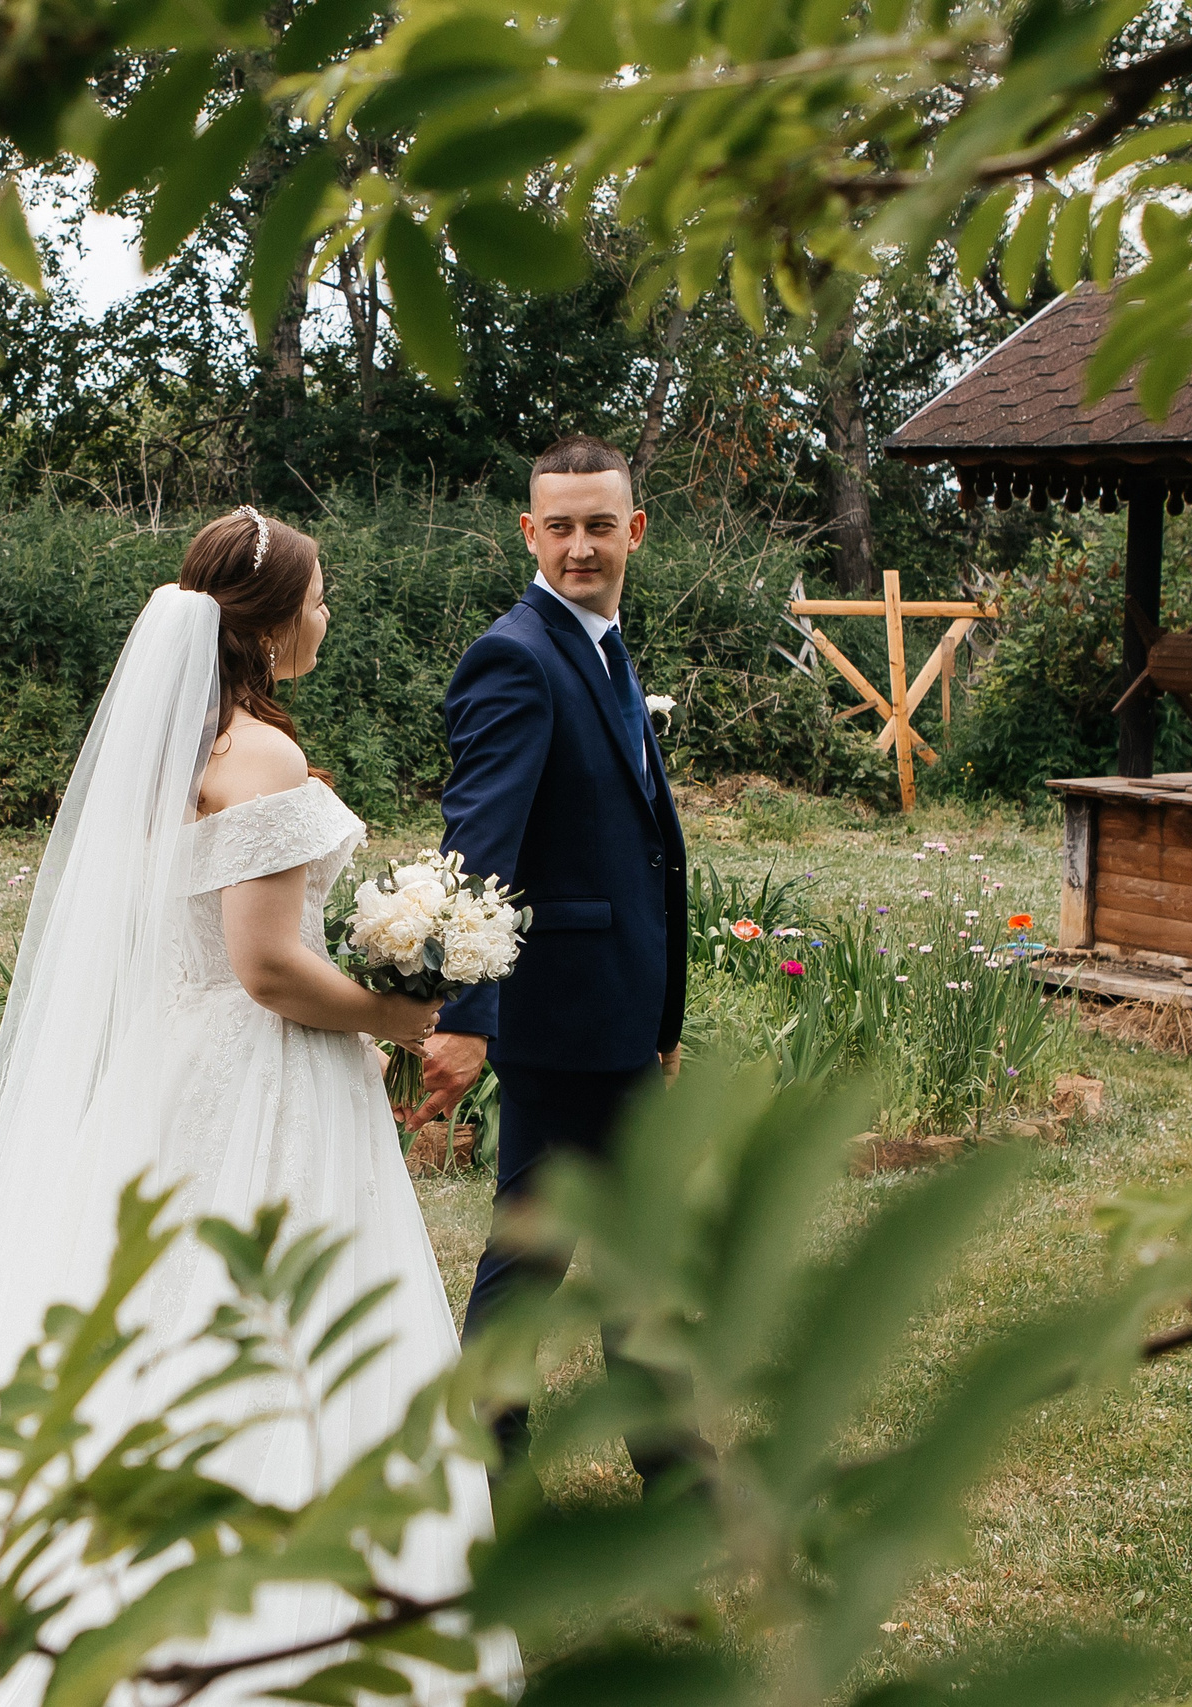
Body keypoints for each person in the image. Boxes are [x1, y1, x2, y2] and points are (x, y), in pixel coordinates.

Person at [0, 509, 512, 1704]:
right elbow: (269, 969)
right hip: (263, 1076)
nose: (327, 615)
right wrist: (400, 1015)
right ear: (274, 619)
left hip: (175, 1069)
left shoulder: (183, 749)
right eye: (319, 595)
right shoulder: (262, 760)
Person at [413, 434, 694, 1493]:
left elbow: (642, 849)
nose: (581, 546)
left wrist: (661, 1021)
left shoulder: (602, 646)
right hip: (557, 1016)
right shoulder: (515, 657)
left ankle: (658, 1470)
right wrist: (465, 1014)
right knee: (541, 1258)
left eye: (600, 524)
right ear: (528, 533)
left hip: (616, 1014)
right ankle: (498, 1470)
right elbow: (477, 848)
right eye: (560, 526)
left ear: (634, 530)